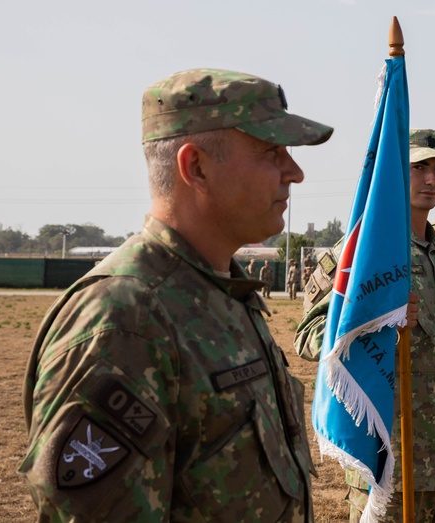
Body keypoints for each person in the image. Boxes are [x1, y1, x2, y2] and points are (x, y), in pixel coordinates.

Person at [20, 68, 334, 521]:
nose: (295, 172)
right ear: (196, 167)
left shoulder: (222, 291)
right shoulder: (125, 319)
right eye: (271, 151)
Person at [341, 129, 435, 522]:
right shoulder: (365, 251)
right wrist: (378, 319)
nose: (431, 180)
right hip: (392, 466)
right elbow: (313, 336)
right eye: (419, 167)